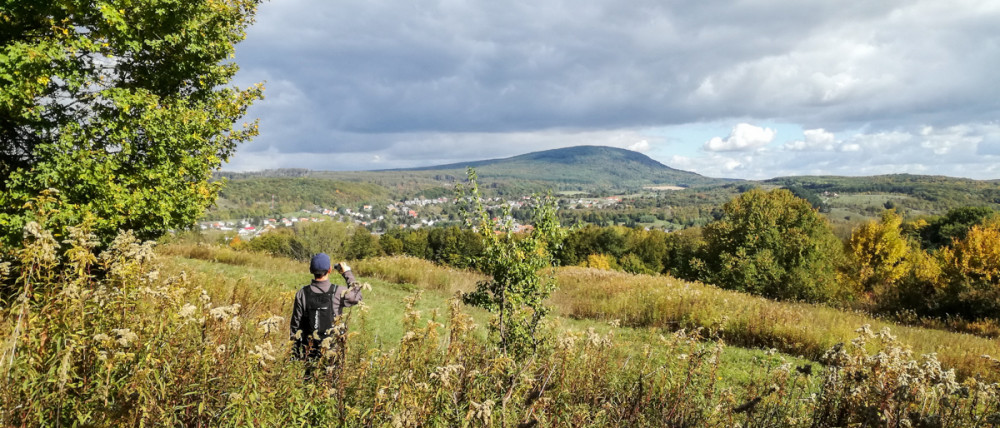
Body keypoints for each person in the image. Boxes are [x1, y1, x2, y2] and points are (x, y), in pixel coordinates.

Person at [289, 253, 362, 377]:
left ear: (311, 270)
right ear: (330, 270)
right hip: (333, 350)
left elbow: (295, 325)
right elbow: (357, 296)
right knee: (331, 382)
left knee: (309, 384)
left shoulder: (302, 293)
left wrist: (295, 352)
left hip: (309, 350)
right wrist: (347, 273)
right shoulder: (338, 291)